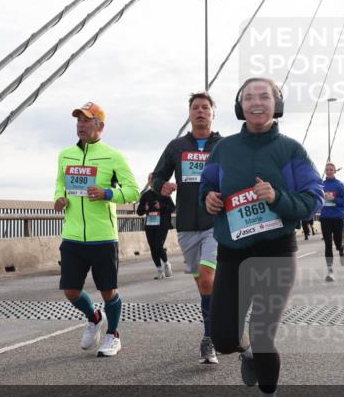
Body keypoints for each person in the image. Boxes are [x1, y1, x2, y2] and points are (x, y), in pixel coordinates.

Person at [201, 77, 323, 397]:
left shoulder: (291, 151)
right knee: (223, 339)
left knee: (263, 331)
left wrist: (276, 198)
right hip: (233, 251)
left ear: (277, 104)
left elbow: (312, 200)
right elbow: (208, 186)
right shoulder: (223, 150)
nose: (257, 102)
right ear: (240, 106)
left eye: (264, 96)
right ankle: (248, 352)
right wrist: (207, 200)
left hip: (276, 252)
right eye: (249, 97)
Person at [54, 102, 140, 357]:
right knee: (71, 291)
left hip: (103, 236)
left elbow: (133, 192)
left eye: (86, 120)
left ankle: (113, 335)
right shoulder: (65, 154)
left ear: (99, 125)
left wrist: (107, 193)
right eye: (78, 120)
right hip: (72, 234)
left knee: (108, 291)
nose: (80, 124)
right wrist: (59, 197)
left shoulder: (113, 156)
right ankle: (93, 317)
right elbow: (60, 182)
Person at [152, 92, 223, 364]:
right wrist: (163, 187)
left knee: (206, 279)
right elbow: (157, 176)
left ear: (213, 114)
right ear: (190, 114)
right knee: (204, 285)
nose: (201, 111)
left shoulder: (224, 145)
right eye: (196, 107)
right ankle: (219, 316)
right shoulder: (177, 146)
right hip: (186, 225)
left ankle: (209, 339)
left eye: (206, 107)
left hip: (216, 222)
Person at [137, 173, 175, 279]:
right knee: (153, 248)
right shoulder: (145, 195)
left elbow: (172, 208)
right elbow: (139, 212)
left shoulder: (164, 193)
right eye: (149, 178)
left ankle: (166, 263)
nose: (151, 180)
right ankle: (159, 270)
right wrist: (145, 208)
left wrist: (161, 206)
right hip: (150, 225)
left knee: (159, 246)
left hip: (162, 224)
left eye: (153, 178)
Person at [319, 162, 344, 282]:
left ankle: (341, 249)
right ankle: (330, 271)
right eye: (327, 170)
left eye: (331, 169)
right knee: (327, 243)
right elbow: (316, 198)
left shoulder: (339, 185)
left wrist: (334, 199)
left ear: (335, 171)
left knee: (337, 242)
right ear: (325, 171)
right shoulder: (321, 185)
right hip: (325, 217)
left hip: (337, 217)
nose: (329, 171)